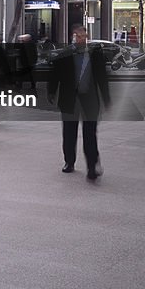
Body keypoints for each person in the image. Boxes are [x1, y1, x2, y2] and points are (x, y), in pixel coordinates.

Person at [50, 25, 111, 181]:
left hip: (89, 99)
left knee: (90, 134)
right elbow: (55, 75)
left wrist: (106, 98)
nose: (80, 39)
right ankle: (69, 162)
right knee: (69, 132)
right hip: (69, 100)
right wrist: (51, 91)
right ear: (72, 37)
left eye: (83, 36)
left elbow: (102, 78)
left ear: (87, 37)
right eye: (77, 36)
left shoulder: (95, 55)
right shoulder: (64, 55)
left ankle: (92, 167)